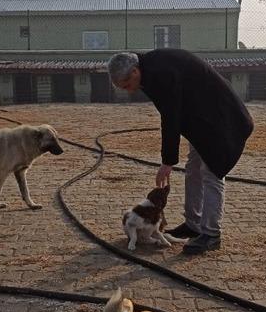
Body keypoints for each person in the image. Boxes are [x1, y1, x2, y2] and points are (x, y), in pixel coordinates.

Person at [107, 49, 254, 254]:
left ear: (134, 72)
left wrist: (167, 162)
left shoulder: (160, 73)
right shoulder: (148, 71)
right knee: (193, 168)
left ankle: (211, 234)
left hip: (223, 121)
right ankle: (193, 225)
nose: (129, 90)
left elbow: (170, 116)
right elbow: (172, 111)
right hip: (202, 120)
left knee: (212, 173)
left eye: (127, 85)